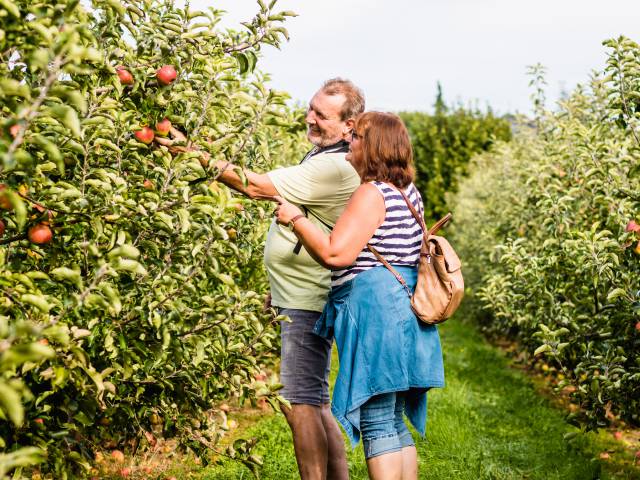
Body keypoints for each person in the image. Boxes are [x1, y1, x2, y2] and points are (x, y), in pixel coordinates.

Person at [158, 78, 365, 480]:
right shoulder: (327, 155)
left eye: (321, 115)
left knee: (299, 402)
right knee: (315, 401)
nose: (310, 119)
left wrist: (187, 150)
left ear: (349, 126)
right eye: (311, 109)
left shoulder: (333, 166)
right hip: (302, 293)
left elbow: (254, 186)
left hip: (309, 297)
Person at [274, 112, 445, 480]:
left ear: (372, 147)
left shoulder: (372, 193)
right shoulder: (408, 192)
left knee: (376, 420)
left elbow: (337, 254)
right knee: (392, 418)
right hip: (404, 310)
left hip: (378, 314)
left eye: (356, 138)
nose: (348, 143)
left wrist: (295, 219)